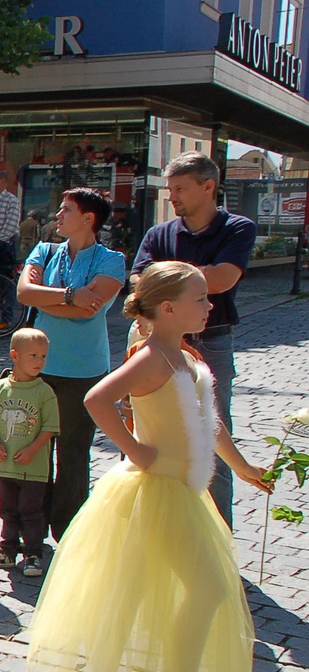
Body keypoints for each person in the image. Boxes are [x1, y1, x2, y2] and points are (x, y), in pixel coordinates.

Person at [27, 262, 270, 672]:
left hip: (182, 492)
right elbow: (97, 398)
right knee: (207, 588)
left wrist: (242, 467)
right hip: (153, 489)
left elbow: (210, 422)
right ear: (168, 308)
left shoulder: (189, 360)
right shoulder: (152, 359)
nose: (209, 305)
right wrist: (135, 447)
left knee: (135, 583)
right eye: (200, 299)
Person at [132, 152, 258, 526]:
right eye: (170, 189)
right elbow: (139, 283)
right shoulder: (159, 233)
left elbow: (222, 279)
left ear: (208, 187)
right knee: (155, 432)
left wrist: (165, 282)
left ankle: (218, 541)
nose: (172, 197)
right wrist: (179, 284)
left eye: (180, 189)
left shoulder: (237, 228)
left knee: (212, 438)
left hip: (211, 342)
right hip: (159, 344)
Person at [17, 188, 128, 539]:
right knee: (34, 454)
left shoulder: (111, 260)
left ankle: (68, 534)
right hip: (39, 366)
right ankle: (30, 531)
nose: (57, 216)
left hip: (84, 372)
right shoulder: (45, 250)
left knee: (74, 455)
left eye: (66, 210)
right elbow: (24, 293)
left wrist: (50, 300)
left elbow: (86, 311)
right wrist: (69, 295)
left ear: (88, 218)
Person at [0, 329, 59, 577]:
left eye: (43, 356)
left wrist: (33, 450)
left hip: (34, 469)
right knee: (8, 510)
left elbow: (50, 428)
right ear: (15, 355)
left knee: (31, 512)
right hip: (7, 465)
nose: (39, 362)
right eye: (32, 355)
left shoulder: (44, 392)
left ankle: (33, 553)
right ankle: (6, 551)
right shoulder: (0, 388)